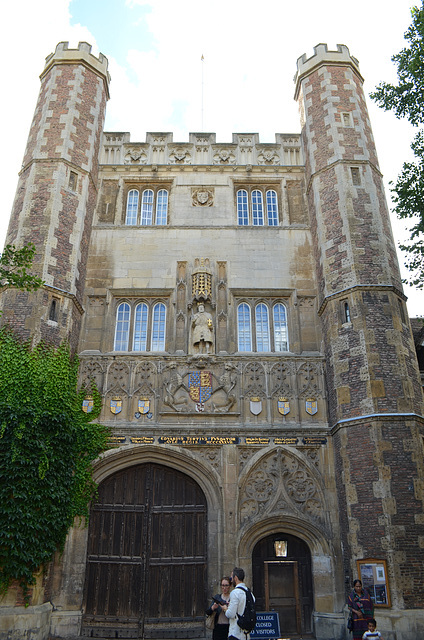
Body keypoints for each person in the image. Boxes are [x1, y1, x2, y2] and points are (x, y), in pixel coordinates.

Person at [222, 567, 255, 640]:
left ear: (235, 578)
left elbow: (231, 614)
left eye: (231, 577)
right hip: (246, 634)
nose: (231, 579)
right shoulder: (249, 593)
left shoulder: (235, 593)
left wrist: (225, 609)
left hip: (235, 633)